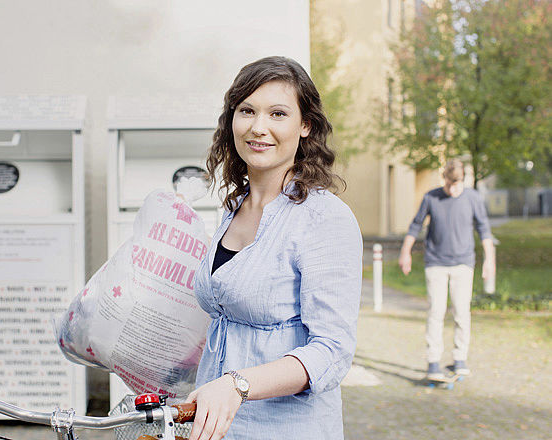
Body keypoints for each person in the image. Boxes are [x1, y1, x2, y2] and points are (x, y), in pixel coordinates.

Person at [185, 56, 362, 440]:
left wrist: (237, 385)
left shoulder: (323, 218)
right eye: (246, 110)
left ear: (305, 125)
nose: (258, 127)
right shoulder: (233, 208)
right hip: (215, 428)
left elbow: (331, 352)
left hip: (286, 429)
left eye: (277, 113)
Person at [398, 159, 495, 380]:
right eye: (450, 184)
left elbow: (484, 229)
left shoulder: (473, 198)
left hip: (463, 264)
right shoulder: (431, 197)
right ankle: (433, 361)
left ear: (463, 180)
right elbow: (416, 225)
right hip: (436, 263)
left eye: (457, 184)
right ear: (444, 179)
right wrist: (406, 252)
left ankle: (460, 359)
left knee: (462, 313)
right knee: (436, 311)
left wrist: (489, 260)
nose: (453, 189)